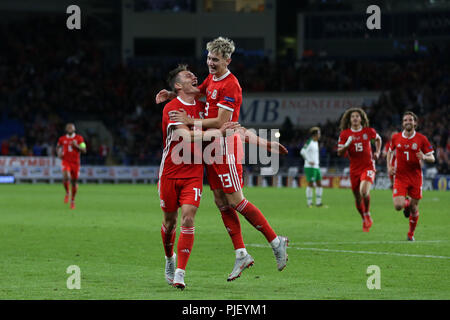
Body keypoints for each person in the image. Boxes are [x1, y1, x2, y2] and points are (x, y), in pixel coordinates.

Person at [156, 37, 289, 281]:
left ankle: (275, 240)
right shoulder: (212, 79)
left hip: (225, 148)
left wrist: (190, 121)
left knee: (236, 200)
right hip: (211, 150)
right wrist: (172, 91)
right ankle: (241, 253)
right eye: (208, 58)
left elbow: (221, 123)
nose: (210, 63)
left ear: (228, 60)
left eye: (215, 60)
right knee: (220, 201)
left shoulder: (231, 86)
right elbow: (196, 91)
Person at [158, 64, 238, 289]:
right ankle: (169, 258)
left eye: (193, 74)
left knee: (188, 218)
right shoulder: (172, 108)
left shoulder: (203, 108)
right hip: (171, 173)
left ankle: (180, 274)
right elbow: (185, 136)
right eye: (187, 75)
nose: (194, 76)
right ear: (177, 85)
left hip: (194, 172)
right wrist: (219, 131)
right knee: (169, 222)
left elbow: (217, 114)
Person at [387, 111, 435, 241]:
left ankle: (410, 234)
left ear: (415, 123)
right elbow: (390, 152)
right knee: (398, 206)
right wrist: (389, 167)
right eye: (405, 120)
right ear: (403, 123)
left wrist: (424, 156)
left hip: (416, 177)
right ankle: (405, 203)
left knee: (414, 208)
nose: (408, 122)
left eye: (410, 120)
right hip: (400, 176)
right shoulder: (396, 137)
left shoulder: (421, 139)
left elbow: (432, 157)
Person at [337, 108, 382, 232]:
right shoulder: (345, 134)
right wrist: (347, 145)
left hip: (368, 166)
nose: (355, 118)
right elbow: (339, 152)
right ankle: (364, 218)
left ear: (361, 118)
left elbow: (378, 139)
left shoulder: (368, 131)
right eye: (353, 117)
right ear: (349, 119)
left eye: (357, 116)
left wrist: (377, 152)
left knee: (363, 192)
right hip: (354, 169)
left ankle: (367, 213)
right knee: (357, 198)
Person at [56, 123, 86, 210]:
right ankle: (67, 193)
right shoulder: (62, 139)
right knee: (66, 176)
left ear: (74, 129)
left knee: (74, 182)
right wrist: (58, 153)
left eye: (71, 128)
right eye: (68, 128)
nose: (69, 129)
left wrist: (76, 146)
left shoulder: (79, 138)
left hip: (75, 163)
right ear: (66, 129)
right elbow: (58, 147)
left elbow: (84, 150)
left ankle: (72, 200)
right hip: (66, 161)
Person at [300, 127, 323, 207]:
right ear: (315, 134)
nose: (320, 135)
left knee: (319, 183)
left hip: (316, 166)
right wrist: (309, 160)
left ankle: (318, 203)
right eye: (319, 133)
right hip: (310, 167)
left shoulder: (316, 142)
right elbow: (302, 151)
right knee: (310, 184)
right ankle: (309, 203)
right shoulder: (309, 142)